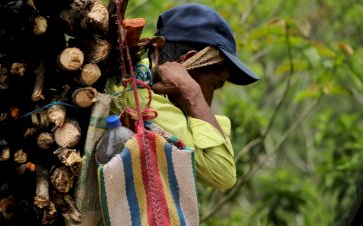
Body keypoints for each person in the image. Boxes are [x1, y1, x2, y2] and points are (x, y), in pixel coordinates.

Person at [108, 3, 260, 189]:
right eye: (214, 85)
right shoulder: (144, 101)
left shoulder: (138, 79)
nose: (209, 101)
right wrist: (192, 93)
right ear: (187, 63)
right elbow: (223, 173)